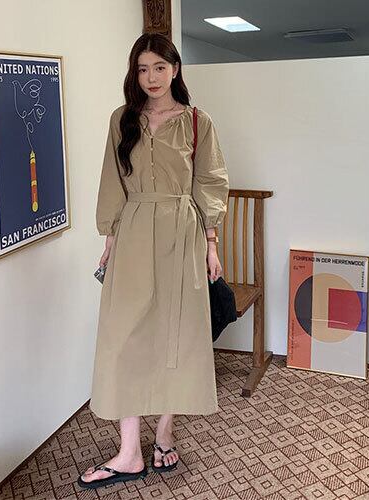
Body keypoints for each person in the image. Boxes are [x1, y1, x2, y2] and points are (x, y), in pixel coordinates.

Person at [78, 32, 229, 489]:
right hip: (133, 230)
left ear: (175, 69)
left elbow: (210, 182)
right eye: (142, 69)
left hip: (183, 234)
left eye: (159, 67)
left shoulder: (198, 122)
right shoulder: (122, 119)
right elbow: (111, 179)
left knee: (175, 336)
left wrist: (211, 243)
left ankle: (164, 433)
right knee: (122, 337)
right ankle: (129, 452)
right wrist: (109, 238)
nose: (151, 77)